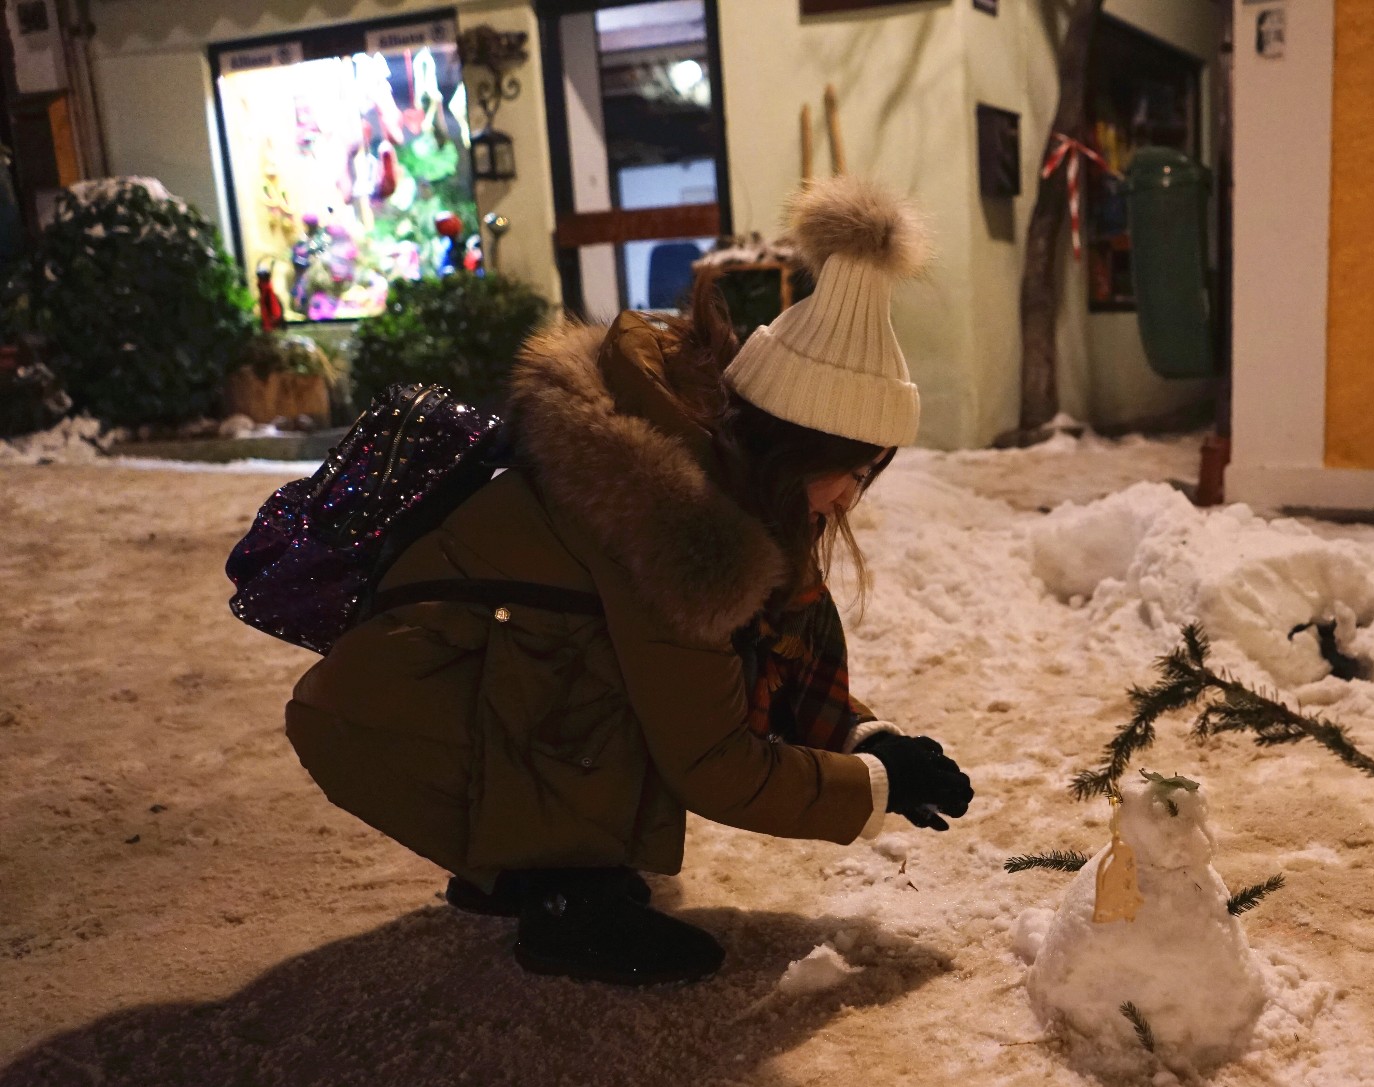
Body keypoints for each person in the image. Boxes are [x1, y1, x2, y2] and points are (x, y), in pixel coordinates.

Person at [284, 177, 973, 985]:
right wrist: (874, 789)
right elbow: (713, 760)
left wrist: (865, 739)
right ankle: (559, 895)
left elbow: (774, 648)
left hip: (440, 691)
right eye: (849, 471)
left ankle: (528, 861)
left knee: (636, 666)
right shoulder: (675, 526)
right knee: (616, 677)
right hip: (393, 718)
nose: (852, 497)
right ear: (794, 448)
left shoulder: (730, 476)